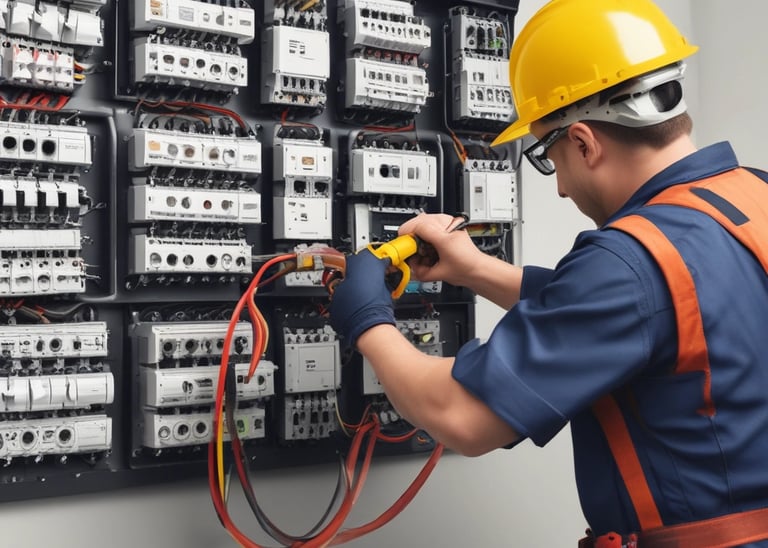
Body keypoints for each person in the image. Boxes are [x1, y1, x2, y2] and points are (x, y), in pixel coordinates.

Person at [328, 0, 768, 545]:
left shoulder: (629, 263)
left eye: (548, 158)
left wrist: (367, 320)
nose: (559, 186)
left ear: (583, 141)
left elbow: (460, 415)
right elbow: (650, 320)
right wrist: (475, 270)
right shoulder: (754, 194)